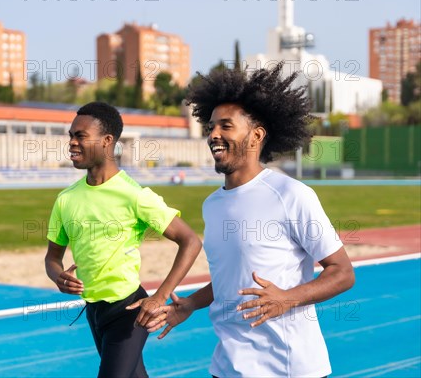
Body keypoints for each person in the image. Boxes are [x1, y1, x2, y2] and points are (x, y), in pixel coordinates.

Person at [152, 63, 355, 377]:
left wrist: (287, 298)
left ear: (256, 135)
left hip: (288, 367)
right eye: (211, 127)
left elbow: (342, 272)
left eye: (226, 126)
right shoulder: (212, 205)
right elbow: (231, 278)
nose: (213, 135)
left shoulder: (291, 194)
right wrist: (191, 303)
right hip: (227, 366)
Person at [44, 101, 202, 378]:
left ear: (107, 141)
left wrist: (161, 296)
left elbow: (190, 241)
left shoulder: (134, 195)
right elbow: (52, 258)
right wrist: (58, 277)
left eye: (80, 136)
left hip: (129, 311)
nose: (71, 142)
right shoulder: (65, 199)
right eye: (70, 135)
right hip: (94, 313)